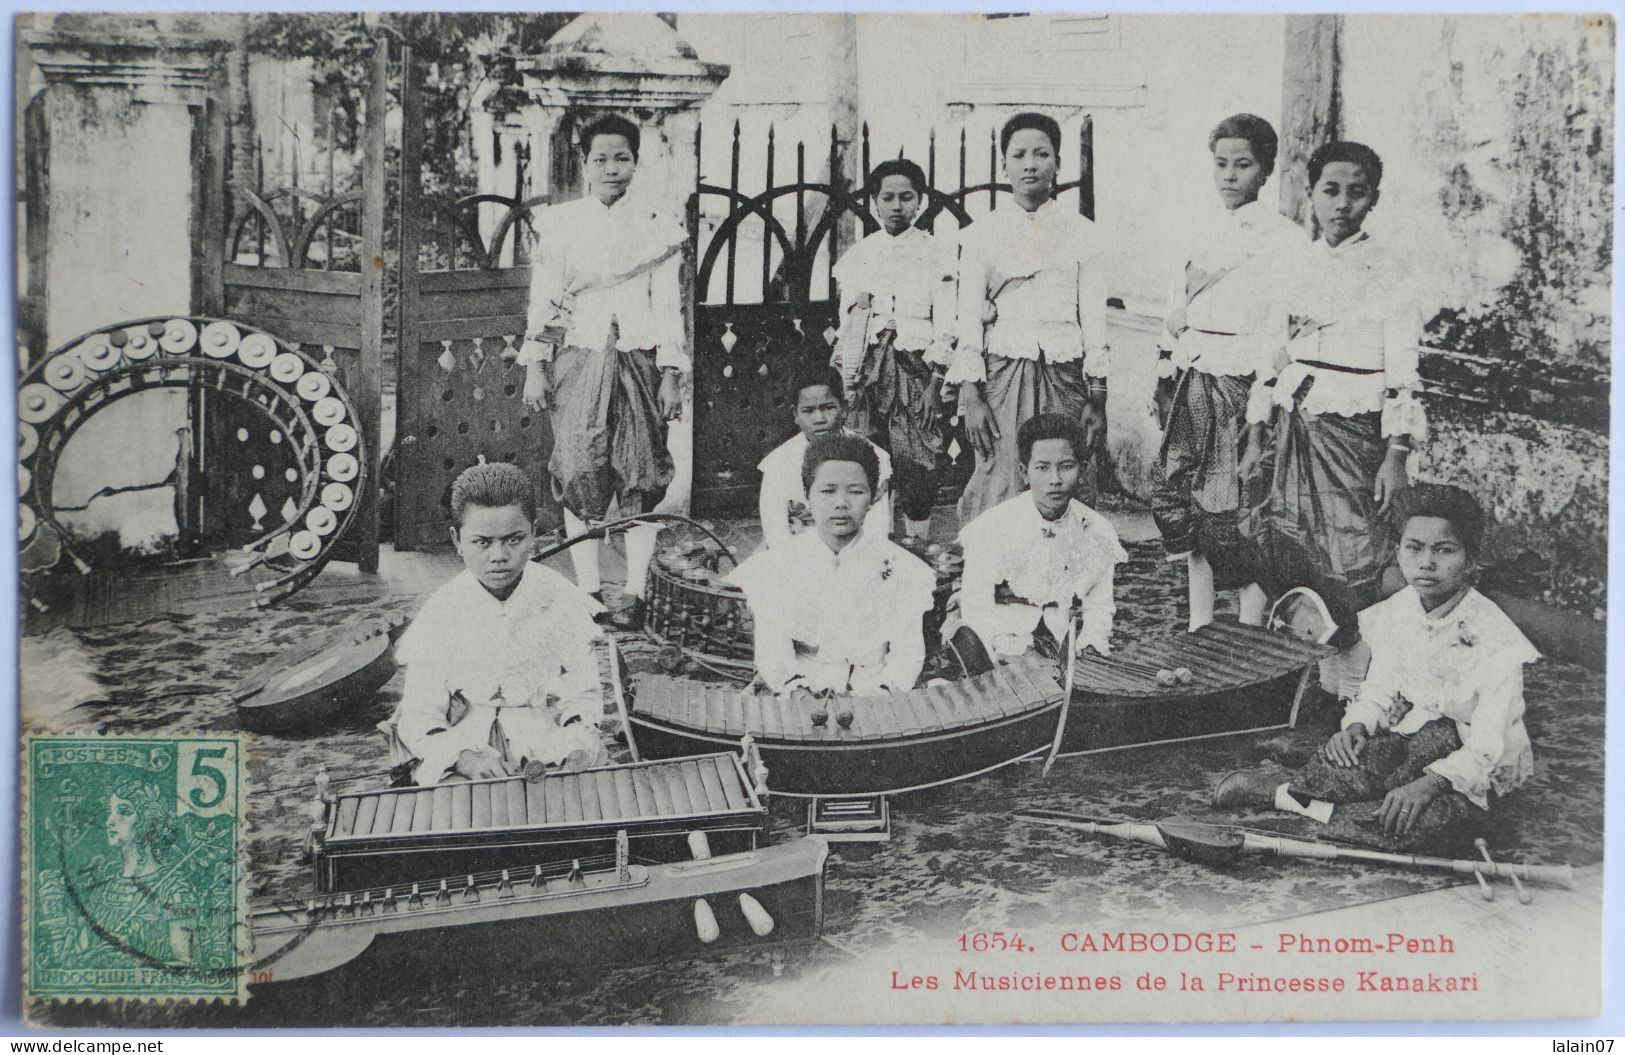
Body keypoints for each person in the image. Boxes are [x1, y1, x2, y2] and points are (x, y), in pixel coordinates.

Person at [1215, 484, 1539, 852]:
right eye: (1414, 548)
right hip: (1416, 738)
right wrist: (1358, 724)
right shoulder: (1399, 611)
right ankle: (1299, 771)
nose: (1427, 562)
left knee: (1416, 823)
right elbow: (1380, 687)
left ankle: (1280, 794)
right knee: (1350, 762)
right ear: (1398, 553)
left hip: (1471, 758)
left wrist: (1430, 783)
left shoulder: (1494, 636)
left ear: (1470, 560)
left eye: (1445, 551)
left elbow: (1489, 744)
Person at [1238, 140, 1425, 703]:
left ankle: (1355, 694)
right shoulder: (1290, 264)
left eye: (1356, 192)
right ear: (1311, 193)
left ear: (1373, 199)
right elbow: (1270, 361)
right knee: (1282, 544)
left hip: (1355, 432)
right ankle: (1283, 679)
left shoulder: (1393, 273)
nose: (1342, 203)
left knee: (1355, 556)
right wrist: (1254, 434)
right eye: (1330, 190)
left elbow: (1403, 374)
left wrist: (1396, 452)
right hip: (1292, 425)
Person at [517, 114, 688, 631]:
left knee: (641, 471)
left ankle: (634, 592)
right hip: (576, 357)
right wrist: (536, 367)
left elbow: (668, 306)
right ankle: (588, 591)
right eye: (601, 159)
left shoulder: (658, 224)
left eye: (622, 158)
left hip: (638, 359)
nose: (612, 168)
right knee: (577, 470)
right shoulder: (562, 223)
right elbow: (543, 299)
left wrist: (670, 373)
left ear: (636, 161)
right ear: (584, 163)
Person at [1150, 114, 1305, 632]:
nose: (1229, 176)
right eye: (1220, 164)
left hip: (1245, 384)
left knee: (1241, 505)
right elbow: (1176, 307)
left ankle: (1249, 622)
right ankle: (1199, 620)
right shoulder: (1197, 229)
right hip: (1196, 378)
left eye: (1243, 165)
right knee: (1192, 498)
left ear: (1265, 170)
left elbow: (1282, 329)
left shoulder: (1284, 240)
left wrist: (1263, 395)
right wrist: (1166, 367)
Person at [383, 462, 607, 784]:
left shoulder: (560, 599)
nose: (499, 555)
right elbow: (421, 711)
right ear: (457, 540)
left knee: (571, 792)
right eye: (482, 542)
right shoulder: (442, 611)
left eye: (513, 539)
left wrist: (572, 743)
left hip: (544, 738)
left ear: (533, 531)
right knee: (455, 808)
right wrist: (462, 757)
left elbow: (583, 694)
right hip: (464, 738)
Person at [948, 112, 1111, 525]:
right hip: (1003, 375)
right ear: (1004, 164)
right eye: (1019, 154)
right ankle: (997, 578)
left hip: (1065, 376)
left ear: (1058, 162)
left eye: (1042, 153)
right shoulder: (980, 234)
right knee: (1002, 474)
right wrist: (972, 395)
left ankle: (1065, 577)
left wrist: (1097, 396)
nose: (1030, 164)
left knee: (1064, 477)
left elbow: (1094, 320)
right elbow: (967, 318)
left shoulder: (1083, 233)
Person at [730, 434, 935, 721]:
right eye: (827, 491)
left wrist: (881, 694)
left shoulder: (902, 568)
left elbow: (907, 652)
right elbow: (772, 647)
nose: (841, 503)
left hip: (874, 692)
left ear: (874, 496)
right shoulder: (778, 565)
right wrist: (798, 693)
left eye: (855, 491)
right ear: (807, 495)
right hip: (797, 692)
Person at [831, 158, 958, 541]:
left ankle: (916, 544)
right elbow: (848, 321)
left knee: (917, 461)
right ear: (874, 202)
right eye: (888, 197)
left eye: (907, 197)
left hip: (916, 369)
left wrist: (936, 382)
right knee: (869, 457)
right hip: (869, 369)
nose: (897, 205)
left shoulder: (936, 253)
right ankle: (873, 546)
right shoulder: (861, 254)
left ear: (919, 201)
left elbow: (948, 323)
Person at [953, 413, 1126, 664]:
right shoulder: (992, 527)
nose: (1055, 480)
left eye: (1066, 466)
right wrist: (992, 656)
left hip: (1063, 644)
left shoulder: (1097, 530)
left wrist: (1089, 645)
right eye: (1042, 468)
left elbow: (1100, 607)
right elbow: (976, 607)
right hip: (1003, 642)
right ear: (1025, 472)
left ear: (1082, 469)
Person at [757, 363, 893, 551]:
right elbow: (776, 533)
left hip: (858, 553)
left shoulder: (873, 456)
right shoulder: (778, 463)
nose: (819, 419)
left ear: (844, 408)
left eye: (828, 408)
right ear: (795, 414)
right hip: (798, 554)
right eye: (808, 411)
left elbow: (877, 528)